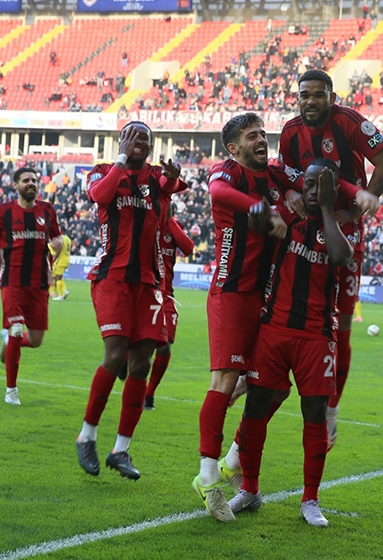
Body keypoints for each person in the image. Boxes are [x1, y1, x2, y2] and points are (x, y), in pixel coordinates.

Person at [229, 158, 354, 528]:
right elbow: (258, 225)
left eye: (323, 185)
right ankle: (249, 489)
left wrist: (329, 207)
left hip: (316, 335)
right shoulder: (290, 217)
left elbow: (340, 256)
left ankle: (311, 499)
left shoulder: (337, 225)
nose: (315, 191)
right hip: (274, 330)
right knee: (256, 409)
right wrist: (257, 213)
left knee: (314, 413)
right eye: (310, 184)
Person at [278, 68, 383, 451]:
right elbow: (287, 175)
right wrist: (291, 195)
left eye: (317, 94)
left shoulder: (350, 123)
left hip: (345, 231)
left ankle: (331, 411)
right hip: (306, 227)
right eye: (304, 95)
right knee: (282, 301)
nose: (310, 101)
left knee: (341, 322)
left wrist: (356, 212)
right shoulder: (290, 131)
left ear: (330, 95)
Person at [193, 112, 298, 523]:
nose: (261, 140)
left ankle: (232, 461)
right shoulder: (228, 173)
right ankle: (207, 477)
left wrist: (358, 193)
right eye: (252, 136)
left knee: (276, 388)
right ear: (234, 148)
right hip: (231, 293)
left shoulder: (274, 177)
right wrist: (264, 209)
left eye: (263, 134)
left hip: (265, 299)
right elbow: (218, 193)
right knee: (222, 381)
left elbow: (313, 182)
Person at [75, 122, 187, 480]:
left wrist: (173, 177)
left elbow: (171, 188)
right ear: (122, 141)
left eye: (146, 139)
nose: (140, 142)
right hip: (112, 278)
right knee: (116, 354)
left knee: (141, 363)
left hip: (148, 283)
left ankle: (120, 449)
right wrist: (121, 159)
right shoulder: (104, 172)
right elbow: (99, 197)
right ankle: (86, 436)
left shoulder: (157, 178)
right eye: (133, 136)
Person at [0, 167, 63, 406]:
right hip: (11, 280)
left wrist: (57, 241)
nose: (31, 183)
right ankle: (11, 390)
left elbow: (56, 236)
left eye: (34, 180)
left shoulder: (47, 210)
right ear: (15, 185)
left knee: (35, 340)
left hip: (38, 282)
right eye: (26, 180)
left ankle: (8, 343)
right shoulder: (3, 211)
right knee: (16, 328)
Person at [144, 204, 194, 411]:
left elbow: (189, 248)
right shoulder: (146, 223)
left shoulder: (173, 227)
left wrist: (171, 220)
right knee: (144, 346)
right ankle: (135, 386)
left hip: (166, 295)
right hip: (146, 290)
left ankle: (149, 394)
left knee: (165, 345)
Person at [49, 227, 72, 300]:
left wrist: (54, 258)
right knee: (59, 277)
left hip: (61, 260)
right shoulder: (68, 239)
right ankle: (64, 290)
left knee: (57, 277)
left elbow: (59, 248)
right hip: (67, 258)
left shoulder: (61, 238)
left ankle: (61, 295)